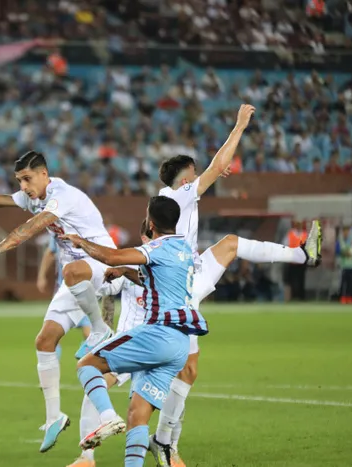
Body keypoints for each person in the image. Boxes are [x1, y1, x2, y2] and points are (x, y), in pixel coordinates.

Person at [149, 106, 322, 467]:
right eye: (194, 174)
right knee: (184, 370)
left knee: (229, 244)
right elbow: (216, 167)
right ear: (184, 180)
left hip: (189, 274)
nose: (199, 178)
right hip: (181, 287)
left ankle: (302, 255)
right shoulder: (179, 196)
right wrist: (240, 125)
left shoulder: (166, 201)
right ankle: (162, 441)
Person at [0, 151, 124, 453]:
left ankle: (101, 330)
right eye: (19, 181)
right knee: (44, 341)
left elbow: (29, 229)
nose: (23, 186)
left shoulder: (62, 196)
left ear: (44, 174)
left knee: (72, 271)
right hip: (75, 278)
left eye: (27, 179)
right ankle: (54, 417)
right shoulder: (31, 195)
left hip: (103, 264)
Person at [63, 196, 207, 467]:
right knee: (137, 416)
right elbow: (153, 279)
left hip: (157, 334)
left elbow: (111, 255)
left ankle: (107, 417)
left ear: (151, 223)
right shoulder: (184, 249)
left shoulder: (157, 247)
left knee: (87, 366)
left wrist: (81, 241)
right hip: (179, 345)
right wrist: (125, 272)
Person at [68, 221, 150, 467]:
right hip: (130, 345)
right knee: (96, 387)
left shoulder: (165, 265)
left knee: (141, 408)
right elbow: (109, 290)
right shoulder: (131, 264)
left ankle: (167, 445)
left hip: (150, 344)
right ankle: (87, 458)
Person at [37, 235, 92, 361]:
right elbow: (50, 253)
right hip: (63, 290)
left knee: (89, 333)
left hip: (84, 290)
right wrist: (41, 276)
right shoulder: (58, 233)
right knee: (52, 334)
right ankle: (51, 367)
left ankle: (90, 366)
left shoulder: (87, 233)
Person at [337, 225, 352, 304]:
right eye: (344, 231)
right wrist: (345, 253)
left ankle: (349, 297)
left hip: (351, 265)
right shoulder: (340, 241)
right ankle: (343, 297)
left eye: (347, 232)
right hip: (343, 265)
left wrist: (348, 253)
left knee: (350, 283)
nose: (346, 233)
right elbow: (339, 251)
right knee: (343, 283)